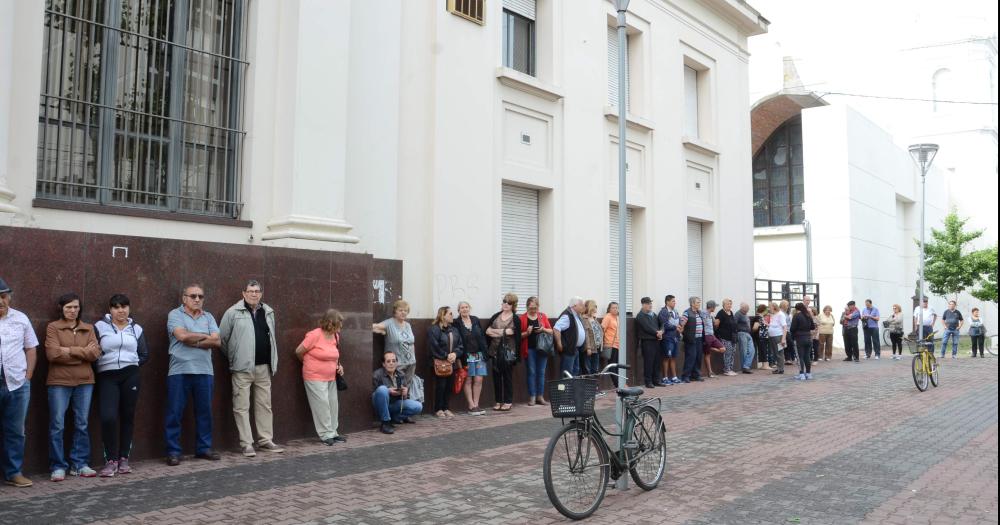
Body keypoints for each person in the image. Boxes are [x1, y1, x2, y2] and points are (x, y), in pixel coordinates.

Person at [219, 280, 284, 458]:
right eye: (250, 291)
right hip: (242, 368)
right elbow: (222, 339)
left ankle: (265, 440)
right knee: (241, 406)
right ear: (243, 293)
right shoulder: (233, 312)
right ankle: (246, 443)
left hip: (264, 367)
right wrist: (234, 356)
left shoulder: (268, 312)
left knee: (265, 405)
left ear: (261, 294)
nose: (254, 294)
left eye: (257, 291)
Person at [45, 293, 100, 481]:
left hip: (85, 382)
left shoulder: (88, 328)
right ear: (61, 308)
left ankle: (79, 464)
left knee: (82, 424)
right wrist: (83, 353)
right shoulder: (53, 327)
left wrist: (68, 351)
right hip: (59, 382)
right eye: (68, 307)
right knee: (57, 425)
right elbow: (53, 354)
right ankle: (58, 466)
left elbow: (95, 354)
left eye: (76, 307)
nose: (72, 310)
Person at [164, 283, 222, 466]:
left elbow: (217, 341)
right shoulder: (175, 314)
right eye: (193, 296)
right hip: (179, 371)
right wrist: (205, 337)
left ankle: (203, 448)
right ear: (184, 298)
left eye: (200, 296)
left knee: (205, 412)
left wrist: (194, 340)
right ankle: (173, 451)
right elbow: (181, 337)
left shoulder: (209, 316)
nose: (197, 299)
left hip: (205, 371)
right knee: (174, 412)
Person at [93, 294, 149, 477]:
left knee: (127, 416)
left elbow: (144, 353)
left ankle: (124, 458)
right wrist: (104, 364)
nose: (121, 310)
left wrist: (130, 363)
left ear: (129, 308)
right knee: (108, 417)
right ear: (110, 309)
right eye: (116, 307)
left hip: (130, 376)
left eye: (124, 306)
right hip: (107, 377)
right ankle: (110, 460)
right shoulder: (99, 327)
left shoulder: (136, 328)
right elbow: (94, 352)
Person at [0, 278, 38, 488]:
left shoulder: (21, 319)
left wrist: (28, 375)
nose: (0, 301)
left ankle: (13, 472)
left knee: (15, 431)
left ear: (9, 298)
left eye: (4, 297)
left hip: (17, 383)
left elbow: (31, 348)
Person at [295, 309, 347, 445]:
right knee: (322, 405)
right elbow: (299, 351)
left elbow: (334, 354)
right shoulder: (314, 335)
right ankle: (325, 435)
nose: (340, 327)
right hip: (314, 376)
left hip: (331, 376)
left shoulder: (335, 336)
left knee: (332, 405)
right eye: (338, 324)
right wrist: (307, 363)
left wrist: (338, 366)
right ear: (330, 323)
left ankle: (333, 432)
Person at [486, 293, 522, 411]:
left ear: (513, 305)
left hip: (508, 352)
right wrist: (504, 332)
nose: (506, 304)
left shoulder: (515, 318)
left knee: (507, 377)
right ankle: (498, 401)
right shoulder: (496, 316)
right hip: (494, 350)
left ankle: (508, 401)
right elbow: (487, 331)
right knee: (496, 377)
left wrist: (496, 332)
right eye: (504, 301)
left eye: (509, 302)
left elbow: (513, 333)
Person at [372, 352, 422, 434]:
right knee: (382, 389)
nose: (391, 363)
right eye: (388, 361)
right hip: (381, 406)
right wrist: (388, 391)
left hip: (395, 403)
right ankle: (385, 423)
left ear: (396, 363)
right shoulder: (377, 374)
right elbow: (373, 394)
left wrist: (405, 393)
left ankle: (394, 418)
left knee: (418, 406)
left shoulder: (400, 374)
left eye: (393, 361)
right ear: (384, 364)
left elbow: (405, 398)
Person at [428, 306, 462, 418]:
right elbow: (434, 347)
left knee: (449, 386)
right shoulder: (434, 329)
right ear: (443, 316)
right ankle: (438, 409)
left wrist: (455, 354)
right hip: (439, 363)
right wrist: (446, 355)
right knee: (441, 386)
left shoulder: (454, 329)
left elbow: (460, 345)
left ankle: (446, 407)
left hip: (452, 363)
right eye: (450, 314)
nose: (453, 316)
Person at [457, 301, 489, 414]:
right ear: (459, 310)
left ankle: (476, 404)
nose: (464, 309)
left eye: (466, 307)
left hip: (479, 354)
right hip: (467, 355)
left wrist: (485, 350)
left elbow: (481, 336)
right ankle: (471, 405)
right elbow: (457, 340)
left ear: (469, 308)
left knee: (479, 379)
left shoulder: (475, 319)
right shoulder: (457, 322)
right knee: (469, 379)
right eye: (462, 308)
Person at [373, 299, 416, 383]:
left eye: (405, 310)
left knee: (406, 390)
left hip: (411, 363)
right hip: (396, 364)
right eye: (400, 310)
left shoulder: (408, 325)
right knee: (396, 389)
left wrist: (413, 359)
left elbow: (412, 343)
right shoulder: (389, 323)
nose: (403, 312)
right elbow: (374, 327)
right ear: (395, 311)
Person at [553, 297, 586, 379]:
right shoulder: (567, 315)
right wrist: (559, 343)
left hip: (575, 349)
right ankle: (563, 391)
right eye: (581, 305)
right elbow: (556, 328)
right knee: (567, 374)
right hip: (568, 349)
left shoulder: (576, 315)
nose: (583, 307)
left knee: (575, 372)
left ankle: (572, 391)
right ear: (574, 306)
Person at [678, 297, 705, 383]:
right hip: (691, 338)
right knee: (691, 357)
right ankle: (686, 376)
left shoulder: (699, 312)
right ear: (692, 304)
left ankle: (696, 375)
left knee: (698, 357)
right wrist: (681, 327)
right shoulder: (687, 312)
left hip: (699, 338)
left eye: (699, 302)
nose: (699, 304)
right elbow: (682, 322)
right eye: (697, 302)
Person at [635, 297, 661, 388]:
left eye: (650, 303)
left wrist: (661, 331)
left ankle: (656, 380)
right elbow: (646, 327)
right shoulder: (640, 316)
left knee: (657, 361)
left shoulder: (653, 314)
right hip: (647, 341)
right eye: (648, 303)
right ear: (643, 305)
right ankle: (648, 381)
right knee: (649, 362)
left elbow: (661, 323)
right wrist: (657, 333)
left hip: (656, 340)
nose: (650, 305)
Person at [658, 295, 681, 384]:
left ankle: (674, 377)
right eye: (673, 301)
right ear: (667, 302)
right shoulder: (663, 312)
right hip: (667, 338)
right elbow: (665, 325)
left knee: (673, 357)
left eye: (675, 301)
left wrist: (680, 327)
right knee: (666, 357)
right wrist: (676, 327)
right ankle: (665, 377)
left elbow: (678, 322)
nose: (675, 303)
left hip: (675, 338)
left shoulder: (675, 312)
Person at [790, 303, 816, 380]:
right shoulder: (808, 315)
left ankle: (801, 374)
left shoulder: (796, 316)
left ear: (797, 309)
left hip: (799, 338)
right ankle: (808, 373)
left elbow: (792, 328)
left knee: (800, 356)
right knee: (807, 356)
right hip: (808, 337)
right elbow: (813, 327)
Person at [701, 300, 726, 378]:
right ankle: (710, 372)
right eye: (715, 306)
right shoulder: (703, 312)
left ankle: (710, 348)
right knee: (707, 355)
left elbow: (714, 325)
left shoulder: (710, 315)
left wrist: (715, 323)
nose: (715, 308)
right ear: (711, 307)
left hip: (712, 335)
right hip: (706, 335)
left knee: (723, 349)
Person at [715, 299, 738, 376]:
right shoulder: (721, 313)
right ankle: (726, 369)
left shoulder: (731, 312)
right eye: (728, 304)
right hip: (724, 336)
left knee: (733, 352)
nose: (729, 305)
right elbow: (716, 324)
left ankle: (730, 369)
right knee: (728, 352)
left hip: (732, 336)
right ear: (724, 304)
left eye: (730, 304)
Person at [601, 302, 622, 387]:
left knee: (617, 365)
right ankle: (617, 384)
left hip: (618, 345)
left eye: (617, 308)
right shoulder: (608, 317)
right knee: (612, 365)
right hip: (610, 344)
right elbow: (602, 329)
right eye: (613, 308)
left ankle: (619, 383)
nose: (615, 309)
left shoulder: (618, 317)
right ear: (609, 309)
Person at [580, 300, 604, 376]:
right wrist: (588, 348)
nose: (596, 308)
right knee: (588, 370)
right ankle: (588, 386)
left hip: (596, 348)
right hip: (590, 349)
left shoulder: (594, 318)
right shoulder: (584, 319)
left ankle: (594, 386)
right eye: (594, 306)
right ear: (590, 308)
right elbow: (586, 334)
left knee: (595, 370)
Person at [766, 302, 787, 374]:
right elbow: (774, 325)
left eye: (770, 307)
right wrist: (768, 325)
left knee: (779, 353)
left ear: (774, 307)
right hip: (772, 336)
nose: (769, 309)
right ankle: (778, 367)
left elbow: (785, 327)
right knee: (775, 353)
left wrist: (783, 339)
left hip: (778, 336)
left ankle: (781, 369)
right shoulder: (773, 315)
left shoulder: (780, 314)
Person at [734, 302, 755, 374]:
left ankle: (746, 365)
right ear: (742, 308)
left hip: (748, 333)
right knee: (744, 351)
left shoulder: (745, 314)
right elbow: (734, 323)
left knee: (752, 350)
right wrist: (736, 332)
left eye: (748, 309)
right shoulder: (738, 314)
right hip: (741, 333)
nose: (747, 310)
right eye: (746, 309)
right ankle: (745, 367)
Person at [753, 304, 771, 370]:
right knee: (763, 350)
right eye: (766, 310)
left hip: (763, 336)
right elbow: (755, 327)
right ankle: (765, 365)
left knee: (763, 350)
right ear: (764, 310)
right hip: (761, 337)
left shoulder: (761, 317)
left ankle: (764, 365)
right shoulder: (758, 317)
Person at [779, 300, 795, 364]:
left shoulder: (785, 313)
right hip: (784, 331)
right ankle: (787, 359)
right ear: (784, 305)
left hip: (788, 330)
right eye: (787, 305)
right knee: (789, 344)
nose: (788, 307)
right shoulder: (781, 313)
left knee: (787, 345)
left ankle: (788, 359)